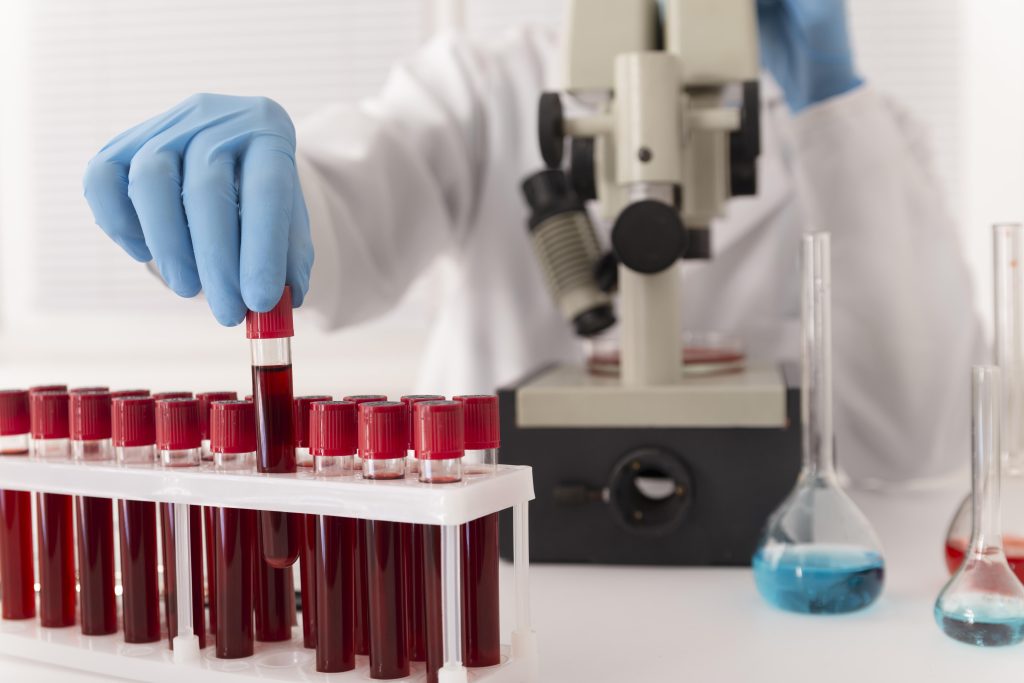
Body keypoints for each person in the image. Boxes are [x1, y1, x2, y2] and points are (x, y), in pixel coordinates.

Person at [82, 0, 981, 487]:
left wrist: (831, 101)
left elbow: (914, 440)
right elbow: (353, 197)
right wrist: (269, 192)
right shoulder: (487, 84)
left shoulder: (859, 130)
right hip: (500, 572)